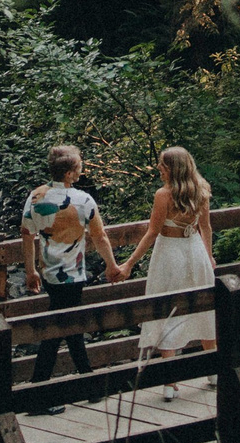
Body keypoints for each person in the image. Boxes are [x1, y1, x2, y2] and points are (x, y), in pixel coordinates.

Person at [18, 143, 125, 407]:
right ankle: (40, 395)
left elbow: (27, 235)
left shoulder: (36, 197)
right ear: (68, 173)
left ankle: (84, 385)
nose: (80, 170)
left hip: (49, 272)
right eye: (78, 167)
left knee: (66, 327)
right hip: (73, 274)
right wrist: (112, 265)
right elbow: (99, 236)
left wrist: (31, 271)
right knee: (62, 329)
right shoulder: (82, 200)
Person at [120, 146, 216, 399]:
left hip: (171, 254)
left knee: (167, 308)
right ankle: (213, 370)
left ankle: (170, 382)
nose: (159, 168)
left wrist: (129, 263)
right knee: (202, 306)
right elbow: (206, 228)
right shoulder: (201, 188)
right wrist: (208, 257)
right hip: (195, 251)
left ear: (174, 168)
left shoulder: (163, 195)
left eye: (163, 165)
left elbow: (152, 232)